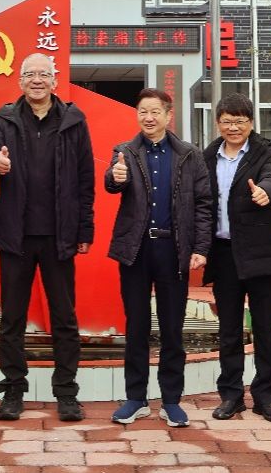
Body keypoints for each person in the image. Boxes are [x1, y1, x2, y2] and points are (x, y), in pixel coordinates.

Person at [0, 52, 94, 423]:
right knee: (12, 317)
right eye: (30, 74)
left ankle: (67, 392)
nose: (37, 80)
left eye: (44, 74)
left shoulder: (74, 121)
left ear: (55, 81)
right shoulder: (4, 118)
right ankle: (13, 390)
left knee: (64, 317)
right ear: (20, 81)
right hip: (16, 235)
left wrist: (84, 230)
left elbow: (86, 180)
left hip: (60, 236)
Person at [104, 88, 212, 428]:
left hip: (173, 250)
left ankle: (171, 400)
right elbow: (111, 182)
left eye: (154, 112)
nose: (148, 118)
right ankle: (135, 398)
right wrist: (115, 178)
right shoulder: (124, 151)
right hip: (136, 251)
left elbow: (204, 204)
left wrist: (200, 248)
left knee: (172, 329)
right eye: (142, 112)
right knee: (136, 326)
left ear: (168, 115)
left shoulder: (189, 155)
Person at [201, 92, 271, 424]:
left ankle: (265, 398)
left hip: (260, 253)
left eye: (240, 121)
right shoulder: (208, 156)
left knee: (265, 329)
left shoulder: (267, 152)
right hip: (223, 253)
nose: (233, 127)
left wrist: (266, 190)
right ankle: (231, 395)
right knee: (229, 329)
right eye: (227, 121)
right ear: (218, 123)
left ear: (251, 123)